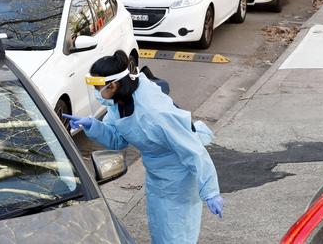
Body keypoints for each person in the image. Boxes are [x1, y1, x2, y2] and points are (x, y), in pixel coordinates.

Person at [63, 50, 224, 244]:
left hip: (179, 177)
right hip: (157, 175)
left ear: (113, 85)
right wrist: (93, 126)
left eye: (98, 87)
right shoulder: (120, 101)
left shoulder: (154, 112)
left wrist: (210, 191)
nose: (97, 93)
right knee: (160, 229)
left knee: (176, 235)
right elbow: (118, 140)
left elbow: (193, 151)